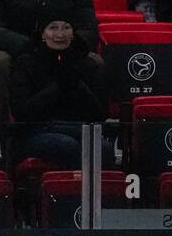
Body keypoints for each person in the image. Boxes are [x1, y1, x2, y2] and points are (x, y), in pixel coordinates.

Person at [8, 16, 108, 170]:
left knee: (104, 148)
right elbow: (22, 112)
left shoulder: (88, 64)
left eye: (66, 27)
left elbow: (100, 113)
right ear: (42, 33)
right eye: (53, 28)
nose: (60, 34)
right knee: (68, 146)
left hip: (79, 129)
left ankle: (99, 193)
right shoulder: (25, 63)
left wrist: (78, 84)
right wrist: (57, 87)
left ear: (73, 33)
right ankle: (72, 193)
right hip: (36, 131)